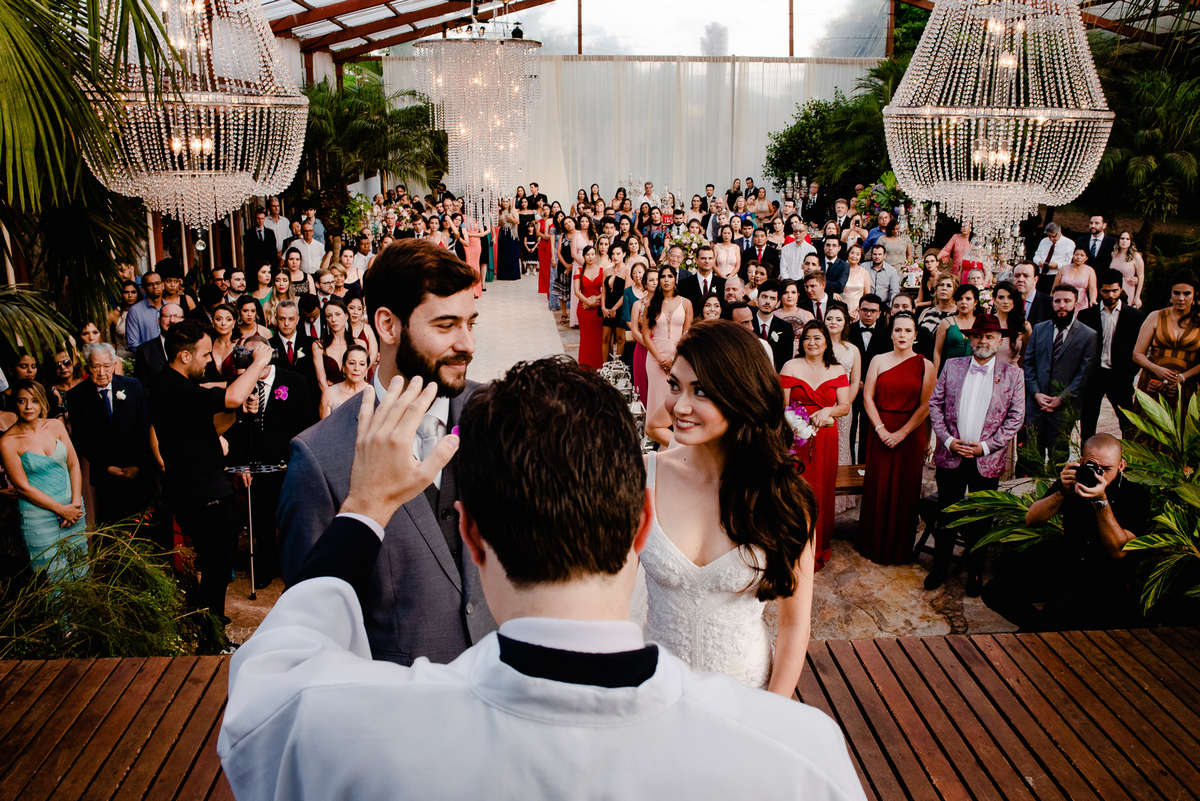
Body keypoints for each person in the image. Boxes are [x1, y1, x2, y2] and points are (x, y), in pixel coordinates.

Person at [218, 364, 866, 801]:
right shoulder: (798, 762)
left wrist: (364, 509)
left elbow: (267, 681)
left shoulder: (359, 735)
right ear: (642, 526)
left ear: (470, 535)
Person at [278, 239, 496, 665]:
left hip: (498, 693)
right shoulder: (319, 458)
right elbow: (310, 625)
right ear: (388, 325)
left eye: (471, 322)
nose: (467, 344)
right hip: (395, 711)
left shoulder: (497, 414)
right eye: (446, 325)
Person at [640, 320, 817, 692]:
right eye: (675, 386)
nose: (680, 406)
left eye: (701, 391)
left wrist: (772, 709)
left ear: (741, 394)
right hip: (657, 693)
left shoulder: (785, 497)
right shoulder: (643, 478)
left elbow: (794, 624)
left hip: (747, 696)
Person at [151, 321, 273, 623]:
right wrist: (258, 363)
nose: (209, 361)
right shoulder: (174, 389)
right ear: (185, 356)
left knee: (218, 567)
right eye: (205, 355)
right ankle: (209, 628)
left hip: (205, 488)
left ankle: (211, 622)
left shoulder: (175, 387)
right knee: (217, 567)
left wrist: (240, 412)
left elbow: (213, 426)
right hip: (202, 495)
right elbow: (230, 396)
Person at [926, 314, 1025, 592]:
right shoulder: (952, 366)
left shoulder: (1013, 374)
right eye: (978, 336)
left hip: (986, 460)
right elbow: (935, 404)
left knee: (981, 518)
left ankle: (975, 573)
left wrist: (985, 447)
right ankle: (939, 568)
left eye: (989, 337)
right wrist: (946, 441)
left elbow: (1016, 418)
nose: (983, 341)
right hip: (952, 454)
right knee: (947, 513)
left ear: (1000, 341)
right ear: (970, 339)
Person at [1018, 434, 1148, 628]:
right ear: (1082, 462)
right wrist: (1062, 491)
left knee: (1065, 617)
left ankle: (1041, 629)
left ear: (1121, 466)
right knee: (997, 590)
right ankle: (1039, 628)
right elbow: (1031, 520)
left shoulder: (1136, 494)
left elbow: (1118, 551)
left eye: (1107, 469)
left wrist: (1101, 501)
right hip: (1070, 569)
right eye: (1093, 466)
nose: (1099, 474)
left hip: (1109, 581)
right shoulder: (1075, 481)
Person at [225, 335, 315, 588]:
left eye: (260, 355)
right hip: (255, 466)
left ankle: (292, 569)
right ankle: (264, 567)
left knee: (291, 519)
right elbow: (232, 431)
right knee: (261, 520)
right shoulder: (240, 385)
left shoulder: (295, 382)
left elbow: (307, 425)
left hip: (289, 465)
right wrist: (241, 463)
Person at [858, 313, 935, 564]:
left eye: (907, 331)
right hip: (880, 429)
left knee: (905, 488)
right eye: (898, 330)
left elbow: (926, 406)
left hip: (910, 433)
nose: (902, 335)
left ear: (915, 335)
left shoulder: (926, 365)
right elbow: (867, 397)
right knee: (877, 486)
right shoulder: (878, 360)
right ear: (891, 334)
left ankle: (899, 548)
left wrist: (901, 433)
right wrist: (881, 429)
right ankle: (872, 545)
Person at [780, 321, 851, 570]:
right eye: (807, 338)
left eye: (817, 338)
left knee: (821, 490)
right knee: (796, 490)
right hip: (796, 439)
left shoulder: (837, 369)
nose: (812, 342)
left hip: (825, 438)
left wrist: (828, 410)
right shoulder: (790, 366)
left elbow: (845, 406)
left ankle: (818, 545)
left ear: (826, 342)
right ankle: (793, 546)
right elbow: (782, 406)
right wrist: (794, 424)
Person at [0, 380, 87, 579]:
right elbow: (22, 487)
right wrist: (60, 509)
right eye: (22, 401)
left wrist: (74, 503)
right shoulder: (8, 441)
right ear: (15, 404)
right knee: (55, 578)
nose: (29, 407)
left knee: (81, 569)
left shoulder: (55, 426)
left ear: (42, 403)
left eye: (34, 401)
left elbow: (73, 464)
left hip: (73, 509)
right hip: (40, 516)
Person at [65, 343, 151, 526]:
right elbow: (81, 439)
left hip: (138, 470)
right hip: (104, 473)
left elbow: (144, 427)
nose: (101, 372)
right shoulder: (76, 396)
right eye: (96, 366)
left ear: (114, 364)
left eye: (106, 366)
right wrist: (106, 466)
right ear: (88, 367)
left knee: (142, 524)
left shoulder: (133, 386)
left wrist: (137, 465)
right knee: (111, 525)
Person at [1023, 286, 1097, 469]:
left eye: (1067, 301)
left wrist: (1061, 399)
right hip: (1036, 404)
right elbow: (1028, 364)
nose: (1061, 305)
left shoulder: (1088, 335)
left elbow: (1084, 373)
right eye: (1057, 301)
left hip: (1064, 408)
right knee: (1033, 457)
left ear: (1076, 303)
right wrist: (1036, 394)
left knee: (1059, 457)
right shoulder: (1039, 329)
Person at [1078, 270, 1144, 440]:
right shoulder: (1086, 315)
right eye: (1106, 291)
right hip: (1094, 375)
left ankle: (1130, 462)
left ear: (1121, 290)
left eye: (1114, 291)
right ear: (1099, 290)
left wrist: (1130, 373)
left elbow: (1139, 347)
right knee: (1088, 422)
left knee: (1128, 422)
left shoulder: (1134, 316)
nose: (1110, 295)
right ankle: (1087, 460)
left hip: (1120, 376)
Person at [1133, 270, 1200, 406]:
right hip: (1153, 383)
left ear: (1194, 295)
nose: (1181, 298)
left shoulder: (1198, 321)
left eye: (1186, 293)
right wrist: (1156, 369)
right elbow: (1137, 354)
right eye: (1176, 293)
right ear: (1170, 294)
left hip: (1186, 387)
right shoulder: (1155, 316)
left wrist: (1182, 377)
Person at [639, 265, 691, 416]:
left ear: (675, 279)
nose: (666, 280)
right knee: (656, 398)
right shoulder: (651, 304)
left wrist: (673, 358)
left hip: (679, 358)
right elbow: (646, 335)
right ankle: (655, 436)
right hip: (656, 358)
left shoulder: (686, 303)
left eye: (670, 276)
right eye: (663, 276)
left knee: (677, 397)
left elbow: (687, 334)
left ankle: (675, 435)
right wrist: (661, 359)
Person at [847, 295, 890, 461]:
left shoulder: (887, 334)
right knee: (848, 430)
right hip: (850, 388)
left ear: (879, 314)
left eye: (873, 311)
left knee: (868, 429)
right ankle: (847, 463)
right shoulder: (847, 330)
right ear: (858, 310)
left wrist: (870, 385)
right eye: (865, 310)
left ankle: (864, 466)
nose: (868, 314)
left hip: (873, 391)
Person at [133, 302, 184, 390]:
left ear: (183, 320)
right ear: (159, 320)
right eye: (167, 316)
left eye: (176, 316)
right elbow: (141, 386)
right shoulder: (144, 350)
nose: (172, 320)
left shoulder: (193, 346)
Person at [933, 284, 979, 373]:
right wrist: (934, 375)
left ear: (975, 302)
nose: (963, 302)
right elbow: (937, 351)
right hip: (950, 372)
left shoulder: (980, 322)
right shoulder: (946, 323)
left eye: (968, 299)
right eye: (960, 299)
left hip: (974, 373)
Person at [628, 268, 657, 404]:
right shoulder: (638, 305)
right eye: (651, 280)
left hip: (662, 350)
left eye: (657, 279)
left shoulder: (667, 304)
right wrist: (650, 346)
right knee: (643, 388)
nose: (655, 283)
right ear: (645, 283)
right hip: (643, 349)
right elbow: (634, 331)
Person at [573, 245, 605, 369]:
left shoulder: (602, 270)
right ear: (584, 256)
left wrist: (595, 300)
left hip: (597, 307)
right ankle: (585, 365)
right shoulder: (579, 271)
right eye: (587, 255)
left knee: (598, 338)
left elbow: (605, 290)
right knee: (586, 339)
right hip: (583, 308)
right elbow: (577, 291)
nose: (590, 257)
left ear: (595, 255)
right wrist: (587, 301)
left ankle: (599, 365)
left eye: (592, 254)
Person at [753, 280, 795, 372]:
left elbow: (786, 360)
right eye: (764, 297)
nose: (767, 302)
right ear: (757, 299)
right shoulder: (747, 323)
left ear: (778, 303)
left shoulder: (786, 328)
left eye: (772, 298)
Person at [991, 281, 1032, 365]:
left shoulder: (1024, 325)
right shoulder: (986, 321)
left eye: (1010, 297)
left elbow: (1026, 355)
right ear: (994, 300)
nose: (1006, 301)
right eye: (1001, 297)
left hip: (1012, 373)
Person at [677, 245, 724, 317]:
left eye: (710, 258)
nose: (707, 261)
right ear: (696, 260)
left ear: (714, 260)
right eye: (703, 258)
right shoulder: (684, 284)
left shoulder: (722, 283)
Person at [124, 270, 165, 351]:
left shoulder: (170, 307)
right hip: (147, 360)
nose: (155, 286)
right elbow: (133, 344)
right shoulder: (135, 311)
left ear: (163, 285)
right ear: (143, 289)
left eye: (157, 283)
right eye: (150, 284)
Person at [601, 245, 627, 363]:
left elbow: (626, 293)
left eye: (618, 253)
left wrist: (615, 308)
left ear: (624, 254)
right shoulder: (607, 271)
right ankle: (605, 366)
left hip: (620, 307)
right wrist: (603, 307)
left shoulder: (627, 271)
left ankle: (618, 367)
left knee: (620, 338)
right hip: (607, 307)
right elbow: (604, 291)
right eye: (613, 254)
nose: (615, 256)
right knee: (605, 338)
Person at [1032, 222, 1072, 295]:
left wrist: (1057, 265)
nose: (1051, 239)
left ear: (1059, 232)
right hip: (1041, 274)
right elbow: (1036, 256)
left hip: (1055, 275)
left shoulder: (1069, 243)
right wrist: (1039, 262)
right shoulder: (1044, 241)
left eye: (1053, 236)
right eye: (1049, 236)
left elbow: (1069, 263)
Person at [1109, 231, 1143, 307]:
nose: (1124, 241)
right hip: (1113, 289)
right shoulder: (1113, 254)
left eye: (1127, 239)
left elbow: (1141, 276)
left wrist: (1137, 297)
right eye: (1122, 238)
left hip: (1128, 288)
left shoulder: (1136, 256)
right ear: (1118, 240)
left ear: (1131, 242)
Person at [1012, 261, 1052, 325]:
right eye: (1017, 276)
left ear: (1035, 279)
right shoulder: (1004, 299)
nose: (1020, 279)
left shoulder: (1048, 303)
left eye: (1026, 276)